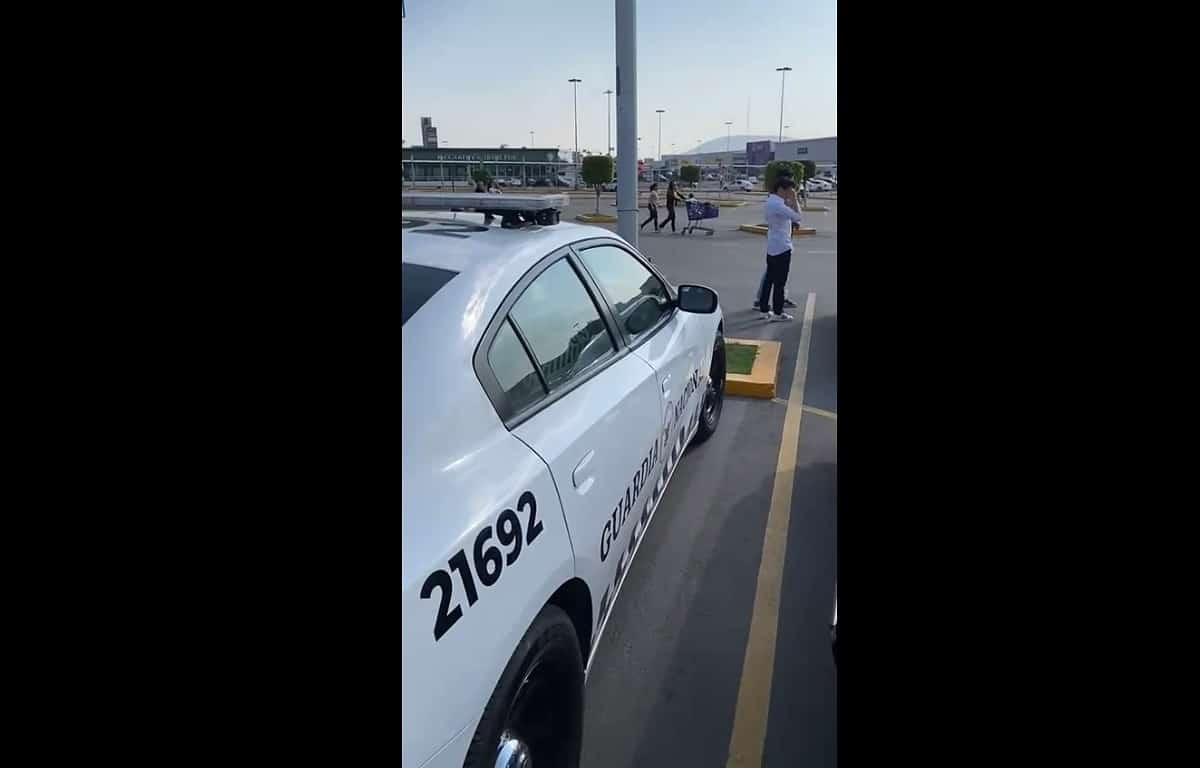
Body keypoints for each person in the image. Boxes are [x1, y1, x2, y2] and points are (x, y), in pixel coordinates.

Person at [758, 174, 805, 321]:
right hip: (782, 248)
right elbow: (798, 217)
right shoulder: (778, 205)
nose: (790, 193)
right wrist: (795, 200)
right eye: (789, 190)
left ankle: (764, 310)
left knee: (769, 280)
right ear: (781, 189)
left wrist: (789, 200)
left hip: (772, 246)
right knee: (780, 282)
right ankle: (778, 312)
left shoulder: (770, 201)